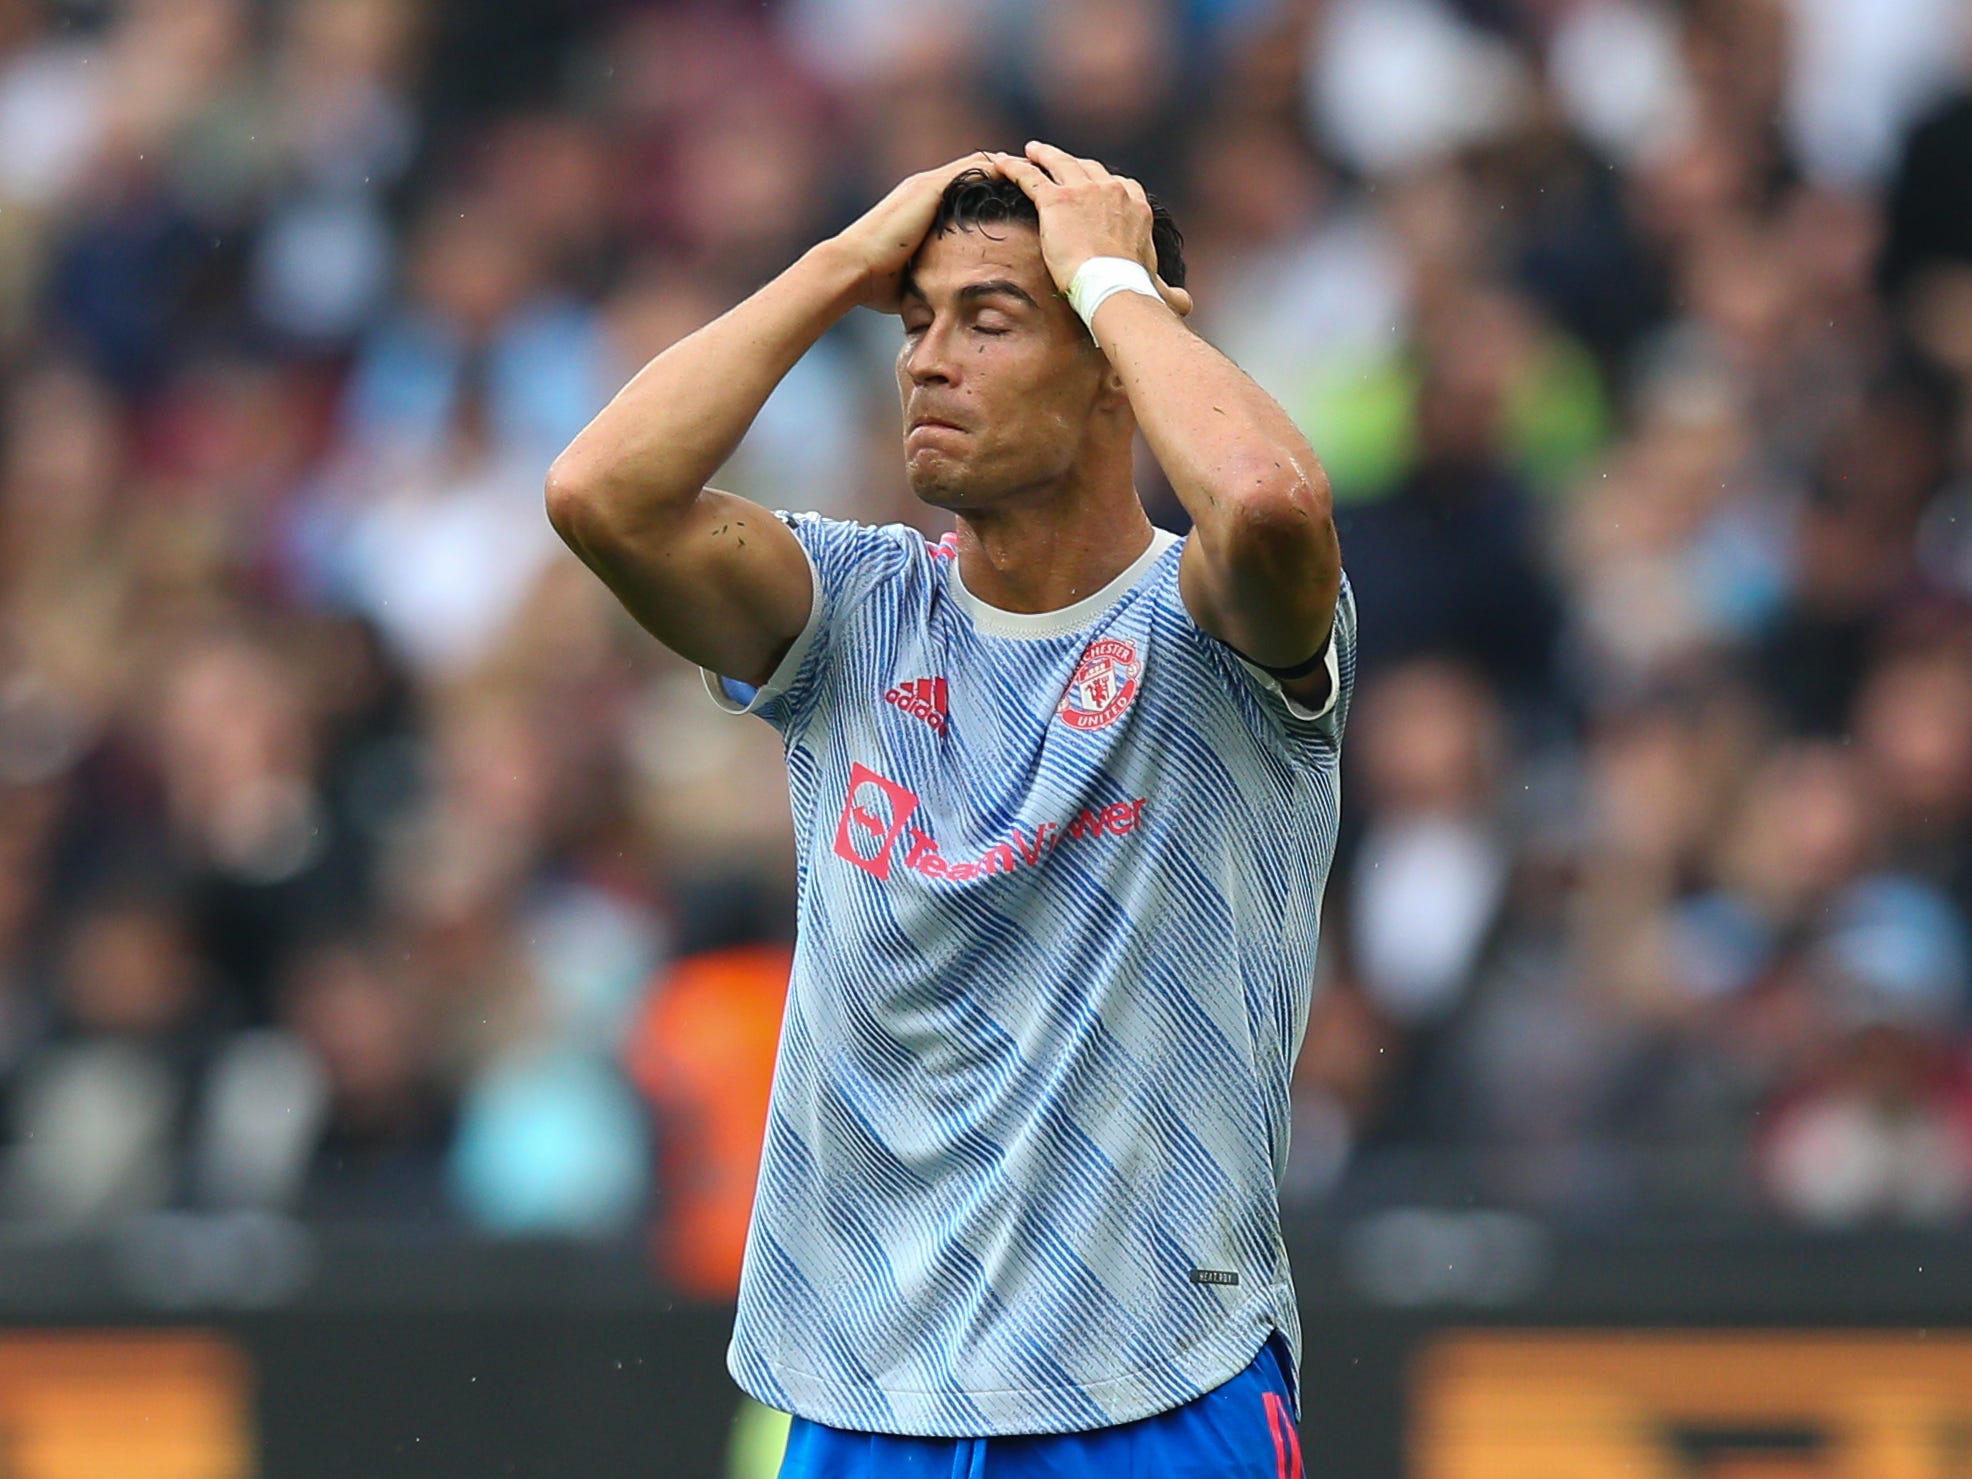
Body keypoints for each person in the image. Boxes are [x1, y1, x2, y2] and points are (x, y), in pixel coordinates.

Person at [547, 142, 1351, 1478]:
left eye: (991, 319)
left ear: (1111, 364)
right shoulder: (854, 613)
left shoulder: (1214, 631)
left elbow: (1268, 499)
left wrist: (1113, 278)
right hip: (864, 1407)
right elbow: (600, 494)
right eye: (917, 322)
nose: (926, 360)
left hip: (1157, 1390)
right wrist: (838, 264)